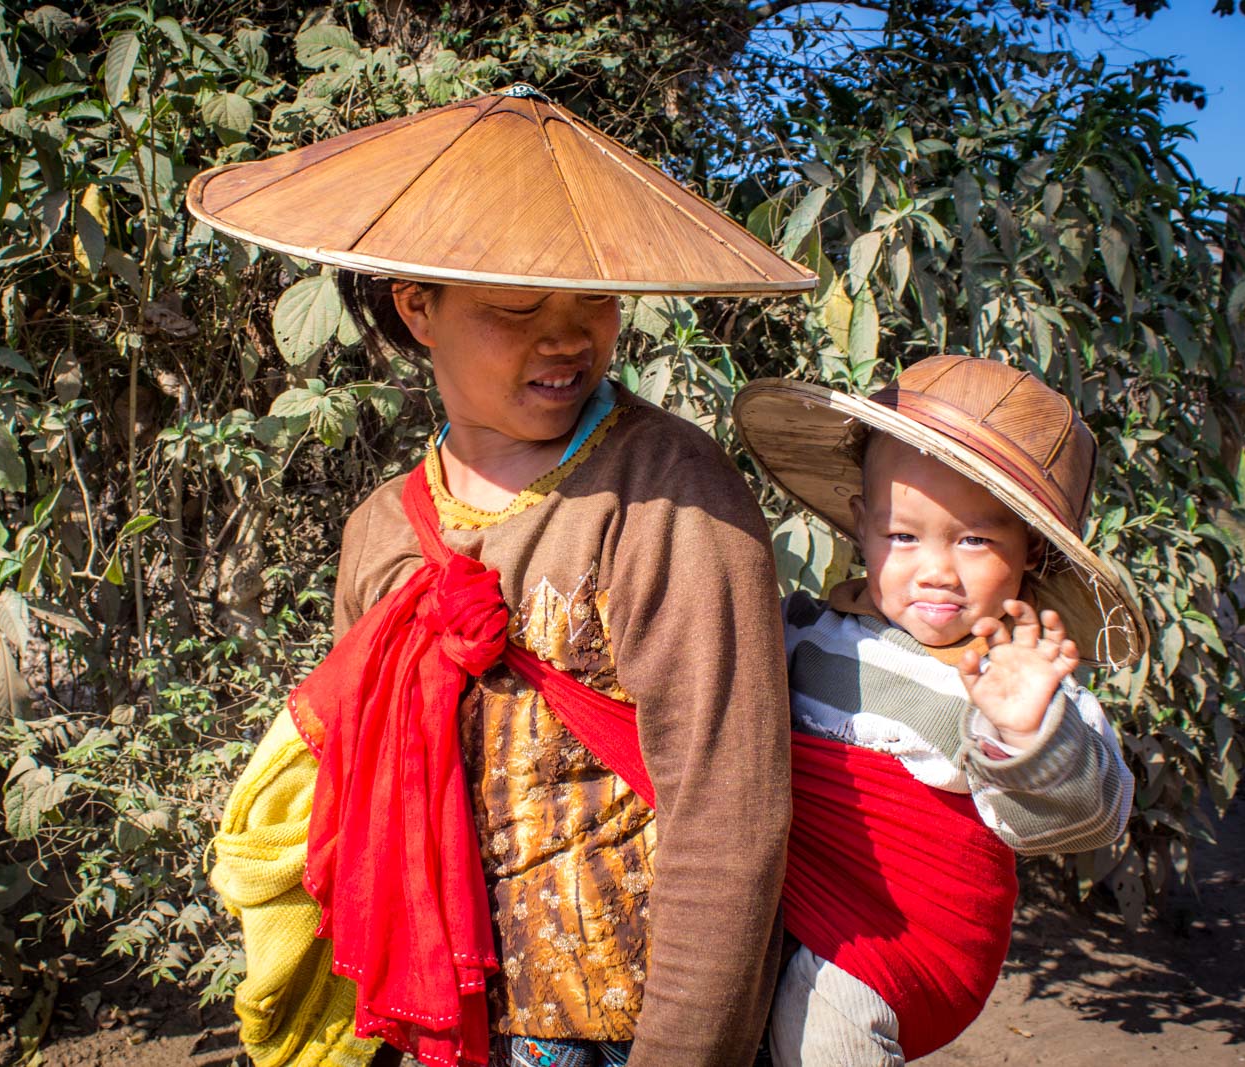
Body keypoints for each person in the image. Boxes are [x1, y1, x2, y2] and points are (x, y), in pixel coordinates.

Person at [192, 87, 811, 1067]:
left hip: (621, 1027)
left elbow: (728, 810)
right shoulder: (382, 530)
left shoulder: (667, 496)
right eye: (518, 307)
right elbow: (369, 790)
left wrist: (685, 1051)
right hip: (447, 1017)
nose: (566, 338)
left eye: (593, 301)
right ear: (418, 307)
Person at [733, 355, 1148, 1065]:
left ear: (1033, 549)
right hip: (782, 901)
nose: (936, 571)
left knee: (822, 1010)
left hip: (903, 944)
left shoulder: (1016, 676)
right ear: (861, 526)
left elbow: (1095, 814)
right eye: (903, 536)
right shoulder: (802, 629)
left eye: (975, 539)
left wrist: (1027, 734)